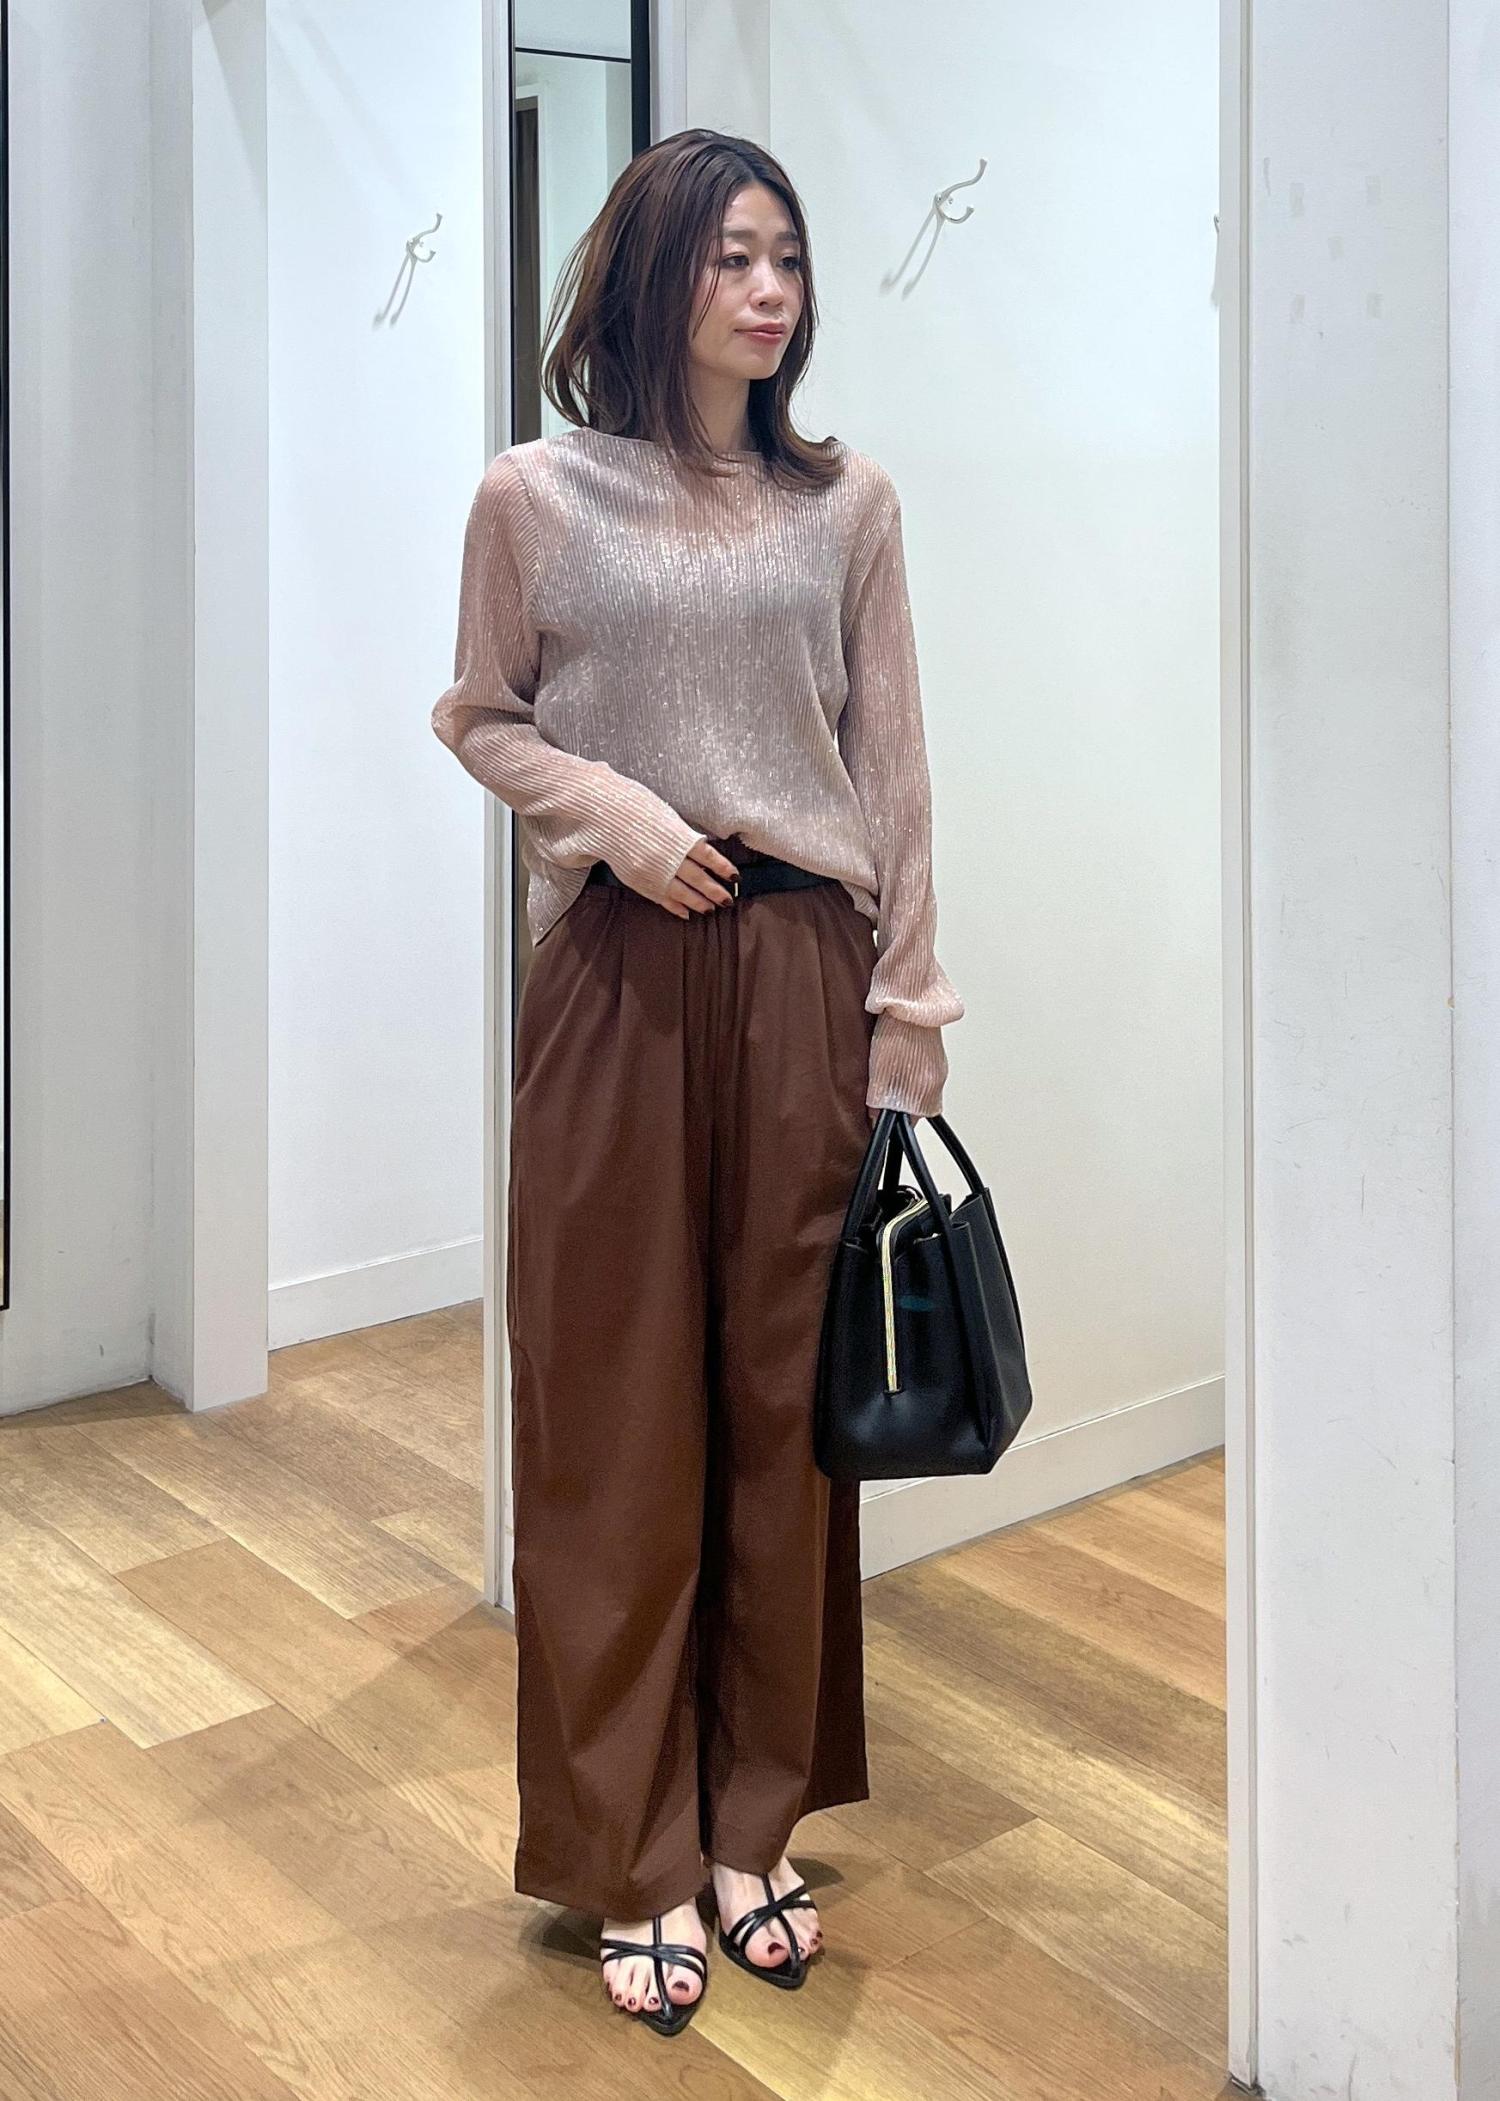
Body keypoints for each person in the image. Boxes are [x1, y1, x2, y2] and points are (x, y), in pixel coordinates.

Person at [431, 127, 963, 2038]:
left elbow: (892, 765)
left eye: (788, 259)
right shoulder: (535, 495)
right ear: (654, 273)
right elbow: (478, 713)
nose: (768, 290)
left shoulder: (846, 503)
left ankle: (750, 1824)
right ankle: (630, 1849)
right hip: (616, 976)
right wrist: (616, 810)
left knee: (780, 1412)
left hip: (805, 969)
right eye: (733, 255)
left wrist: (908, 1011)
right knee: (610, 1415)